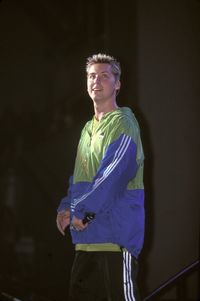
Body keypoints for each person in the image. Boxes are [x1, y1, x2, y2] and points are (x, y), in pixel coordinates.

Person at [56, 53, 145, 301]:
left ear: (117, 84)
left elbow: (112, 176)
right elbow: (79, 178)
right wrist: (65, 208)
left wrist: (80, 211)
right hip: (86, 242)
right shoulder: (87, 128)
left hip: (115, 240)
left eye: (104, 76)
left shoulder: (124, 122)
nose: (96, 80)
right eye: (92, 76)